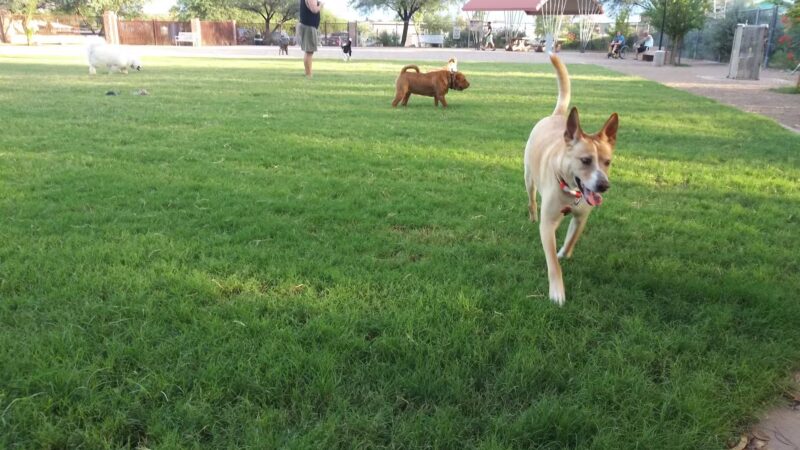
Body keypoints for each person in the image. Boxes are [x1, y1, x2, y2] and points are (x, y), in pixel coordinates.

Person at [297, 0, 323, 78]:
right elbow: (314, 10)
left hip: (308, 26)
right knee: (309, 51)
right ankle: (309, 74)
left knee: (308, 51)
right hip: (309, 27)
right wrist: (320, 5)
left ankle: (307, 72)